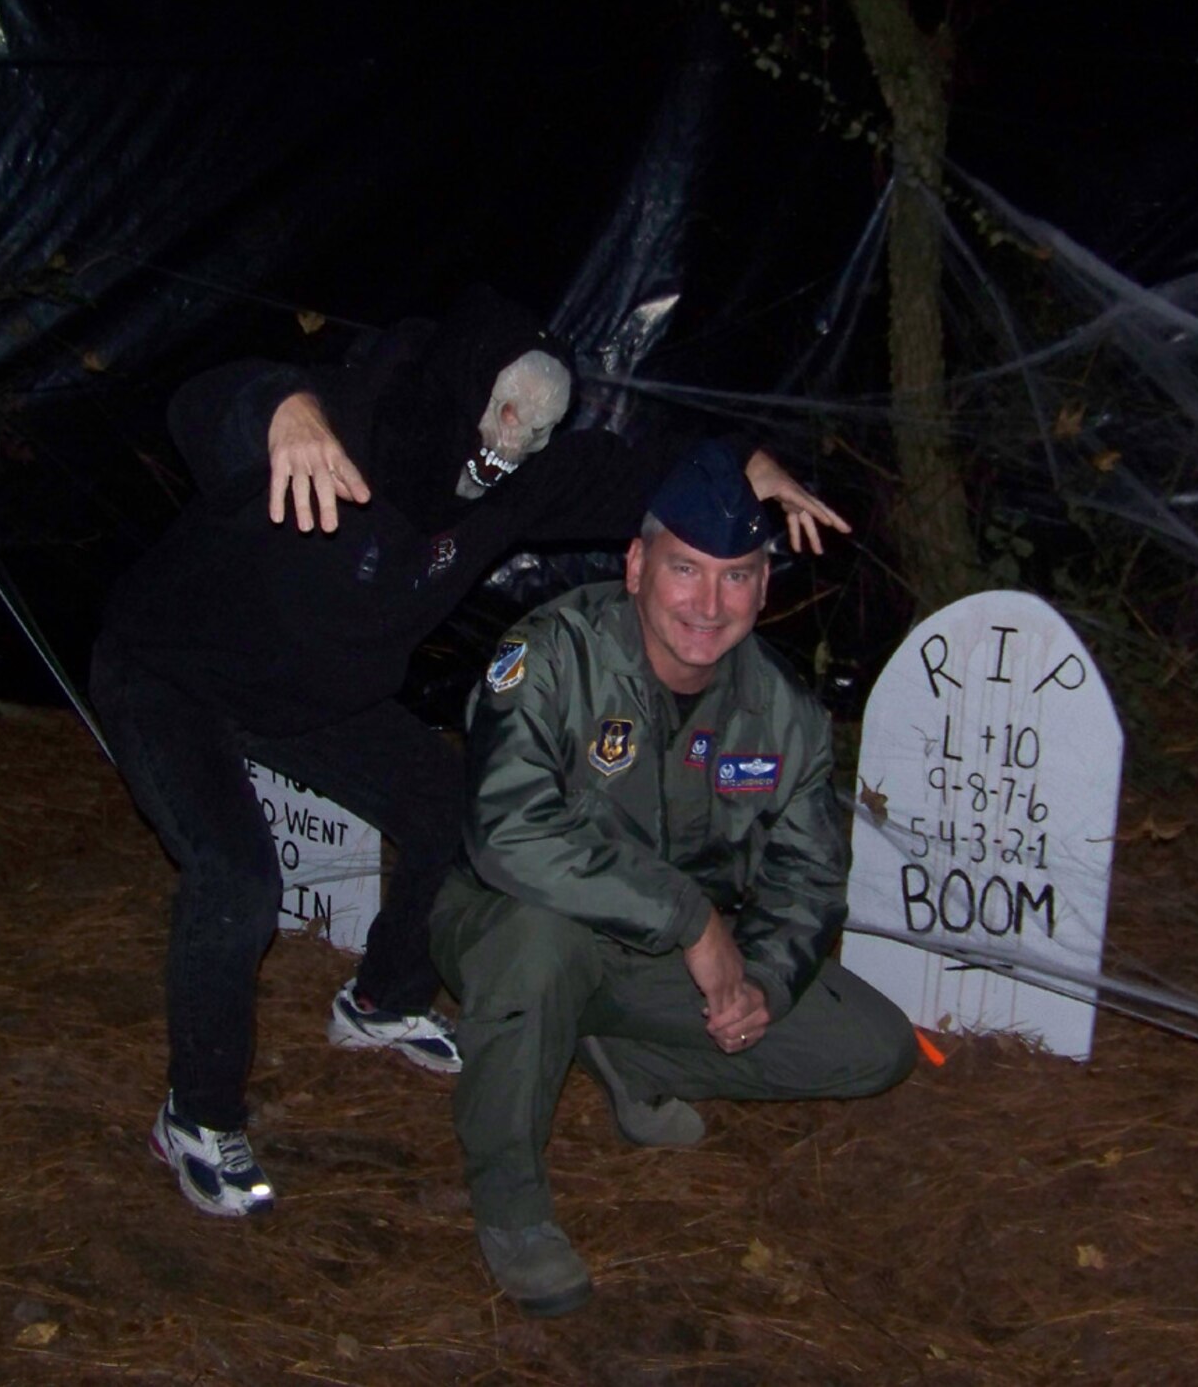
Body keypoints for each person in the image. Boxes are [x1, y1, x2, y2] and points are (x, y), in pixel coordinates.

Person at [90, 286, 847, 1217]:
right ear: (462, 392)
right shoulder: (358, 423)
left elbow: (644, 470)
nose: (514, 443)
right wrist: (281, 409)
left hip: (307, 701)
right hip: (174, 677)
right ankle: (196, 1117)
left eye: (539, 426)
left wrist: (746, 464)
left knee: (453, 809)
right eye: (505, 414)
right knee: (238, 878)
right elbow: (203, 400)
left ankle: (382, 1001)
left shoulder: (516, 482)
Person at [431, 439, 917, 1315]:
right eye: (685, 570)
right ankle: (512, 1208)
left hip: (659, 964)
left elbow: (808, 878)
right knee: (539, 944)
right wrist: (690, 919)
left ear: (763, 590)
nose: (708, 603)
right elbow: (508, 831)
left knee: (874, 1047)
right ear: (636, 567)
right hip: (509, 921)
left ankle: (618, 1049)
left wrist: (762, 981)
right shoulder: (551, 655)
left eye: (736, 578)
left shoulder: (785, 714)